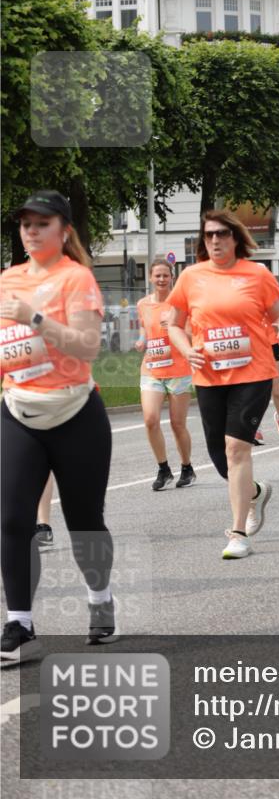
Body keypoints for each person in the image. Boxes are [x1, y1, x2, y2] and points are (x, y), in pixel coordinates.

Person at [1, 190, 115, 665]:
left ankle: (99, 596)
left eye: (42, 223)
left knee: (84, 521)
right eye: (26, 223)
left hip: (75, 415)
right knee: (10, 519)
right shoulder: (6, 279)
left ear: (64, 231)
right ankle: (21, 624)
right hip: (19, 411)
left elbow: (87, 348)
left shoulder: (77, 278)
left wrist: (36, 318)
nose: (31, 230)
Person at [166, 210, 279, 560]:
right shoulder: (190, 277)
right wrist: (186, 349)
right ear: (202, 241)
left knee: (237, 448)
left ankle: (238, 533)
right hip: (210, 375)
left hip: (253, 372)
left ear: (235, 237)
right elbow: (174, 324)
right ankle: (253, 492)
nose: (215, 240)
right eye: (209, 235)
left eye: (222, 234)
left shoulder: (257, 274)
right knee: (218, 453)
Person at [136, 259, 194, 491]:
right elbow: (144, 326)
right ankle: (163, 469)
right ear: (151, 278)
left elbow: (191, 334)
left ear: (172, 278)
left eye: (165, 276)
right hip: (151, 368)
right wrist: (142, 339)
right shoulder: (142, 304)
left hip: (179, 370)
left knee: (177, 424)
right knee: (150, 420)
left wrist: (172, 325)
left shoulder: (180, 304)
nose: (161, 280)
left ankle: (187, 468)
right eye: (157, 276)